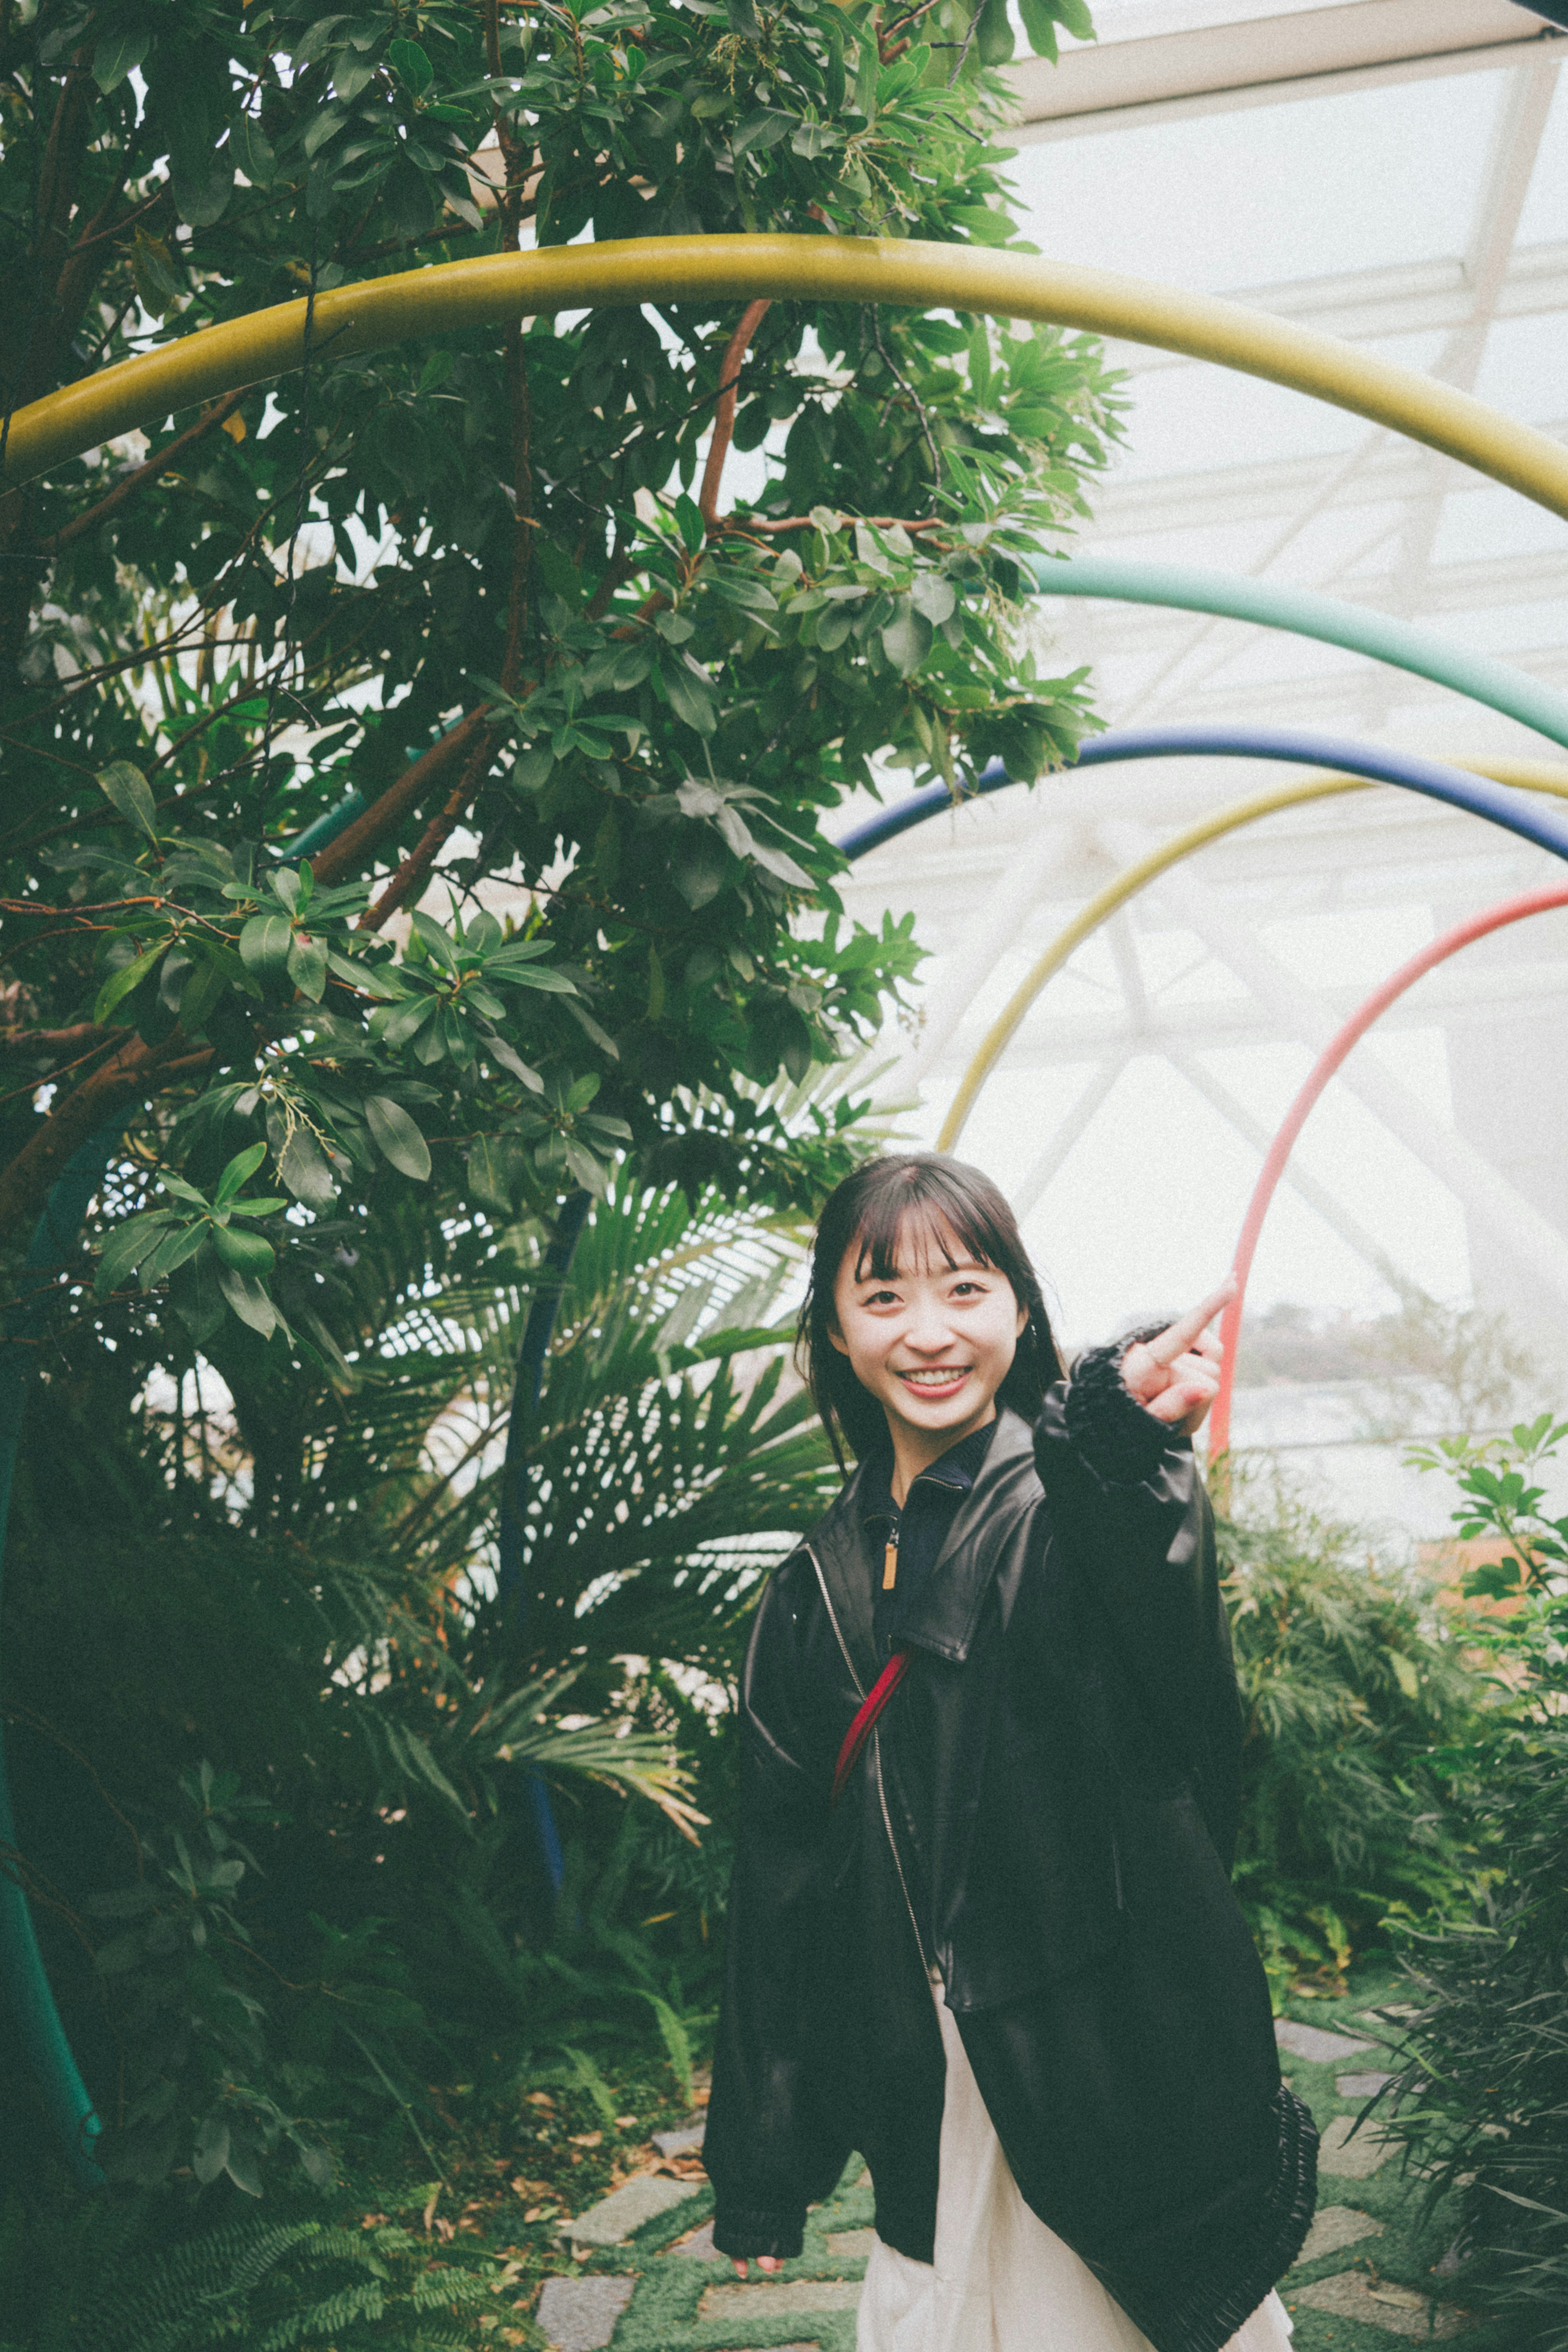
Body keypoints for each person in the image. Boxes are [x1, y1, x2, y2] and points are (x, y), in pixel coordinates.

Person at [702, 1153, 1316, 2352]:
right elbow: (777, 1886)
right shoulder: (806, 1595)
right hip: (923, 2086)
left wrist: (1120, 1438)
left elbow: (1161, 1625)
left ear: (1020, 1309)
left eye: (965, 1289)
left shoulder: (1077, 1504)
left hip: (1099, 2058)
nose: (929, 1332)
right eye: (883, 1298)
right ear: (833, 1329)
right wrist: (764, 2164)